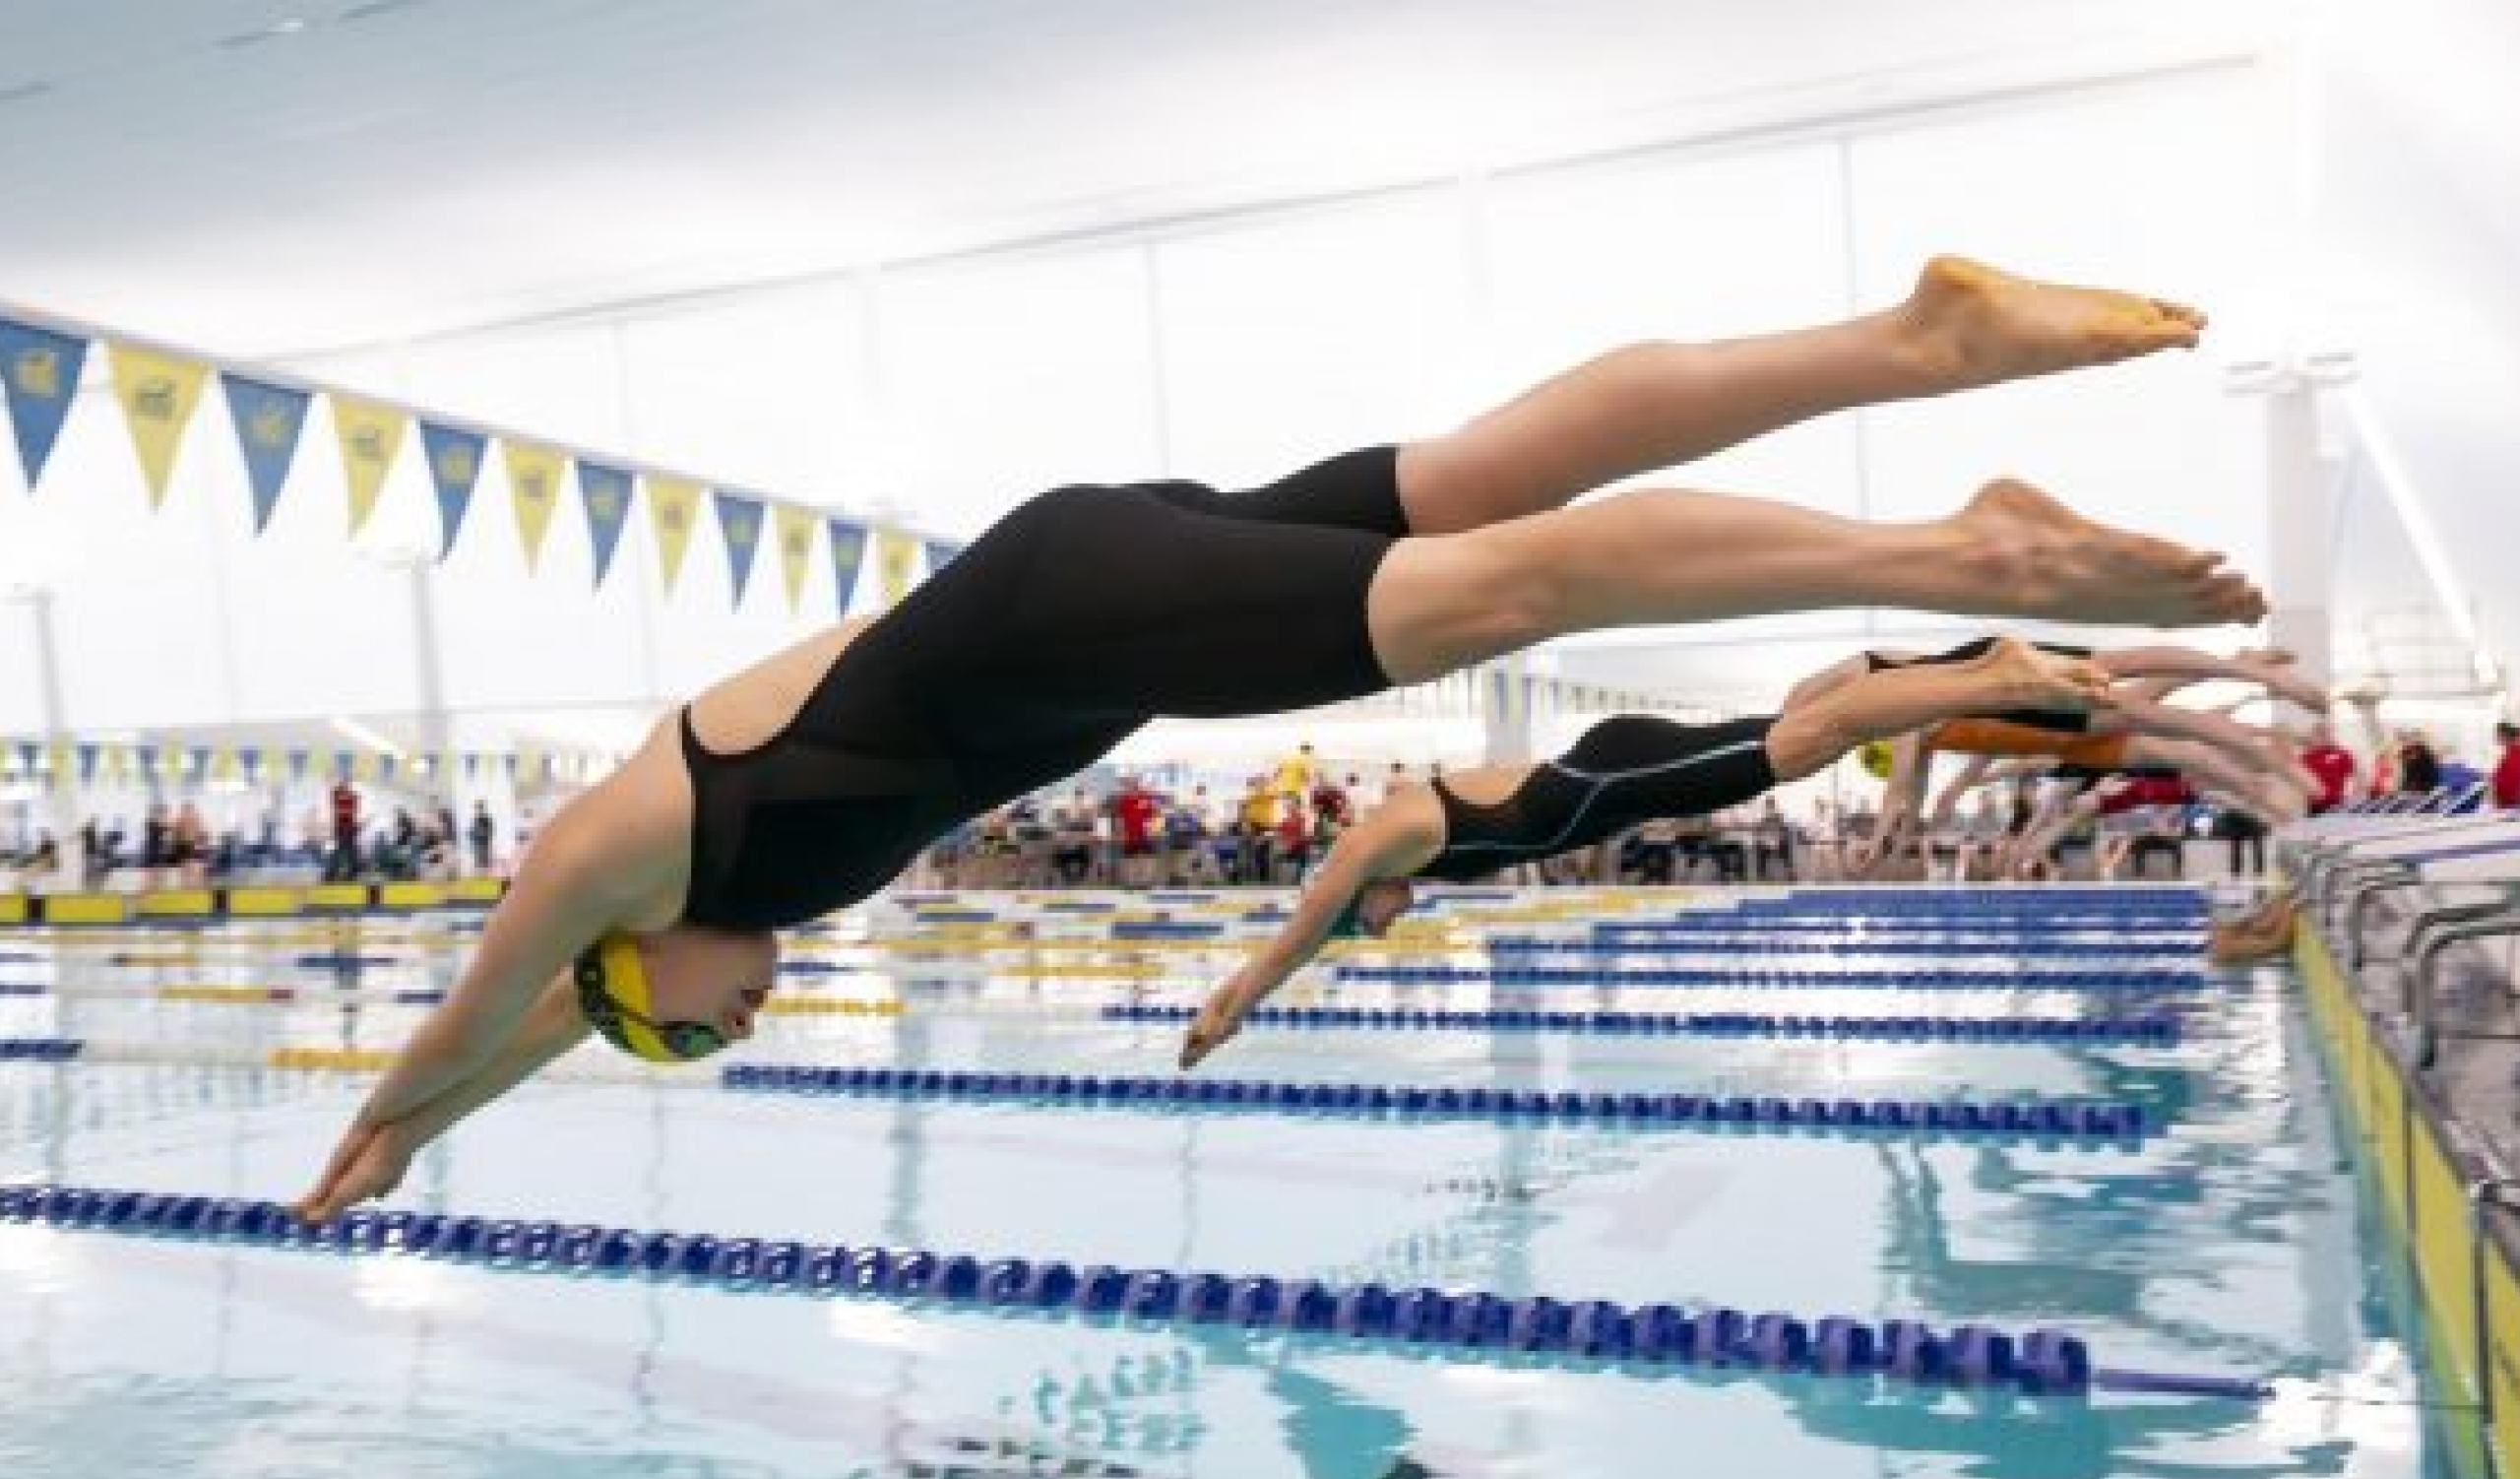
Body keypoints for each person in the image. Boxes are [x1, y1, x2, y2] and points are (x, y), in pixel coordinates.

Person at [293, 253, 2262, 1223]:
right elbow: (540, 1027)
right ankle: (1910, 341)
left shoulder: (626, 853)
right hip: (1086, 582)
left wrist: (375, 1127)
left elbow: (491, 995)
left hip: (1070, 614)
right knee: (1497, 471)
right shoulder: (702, 904)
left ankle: (1958, 556)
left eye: (701, 1033)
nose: (743, 1025)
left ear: (634, 961)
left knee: (1507, 587)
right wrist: (432, 1134)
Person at [1179, 637, 2111, 1064]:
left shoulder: (1376, 843)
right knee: (1800, 726)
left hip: (1614, 778)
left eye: (1364, 925)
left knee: (1807, 741)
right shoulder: (1404, 846)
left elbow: (1294, 938)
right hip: (1616, 775)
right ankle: (1911, 668)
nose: (1380, 932)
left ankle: (1990, 675)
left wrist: (1230, 1012)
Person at [2300, 720, 2356, 814]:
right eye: (2322, 733)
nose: (2326, 736)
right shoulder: (2306, 757)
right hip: (2316, 805)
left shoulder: (2343, 754)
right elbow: (2302, 781)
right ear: (2315, 735)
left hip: (2340, 802)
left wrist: (2350, 795)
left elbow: (2352, 778)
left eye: (2328, 732)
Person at [2492, 721, 2520, 810]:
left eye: (2497, 736)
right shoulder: (2510, 753)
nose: (2496, 739)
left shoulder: (2512, 755)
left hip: (2511, 806)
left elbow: (2503, 785)